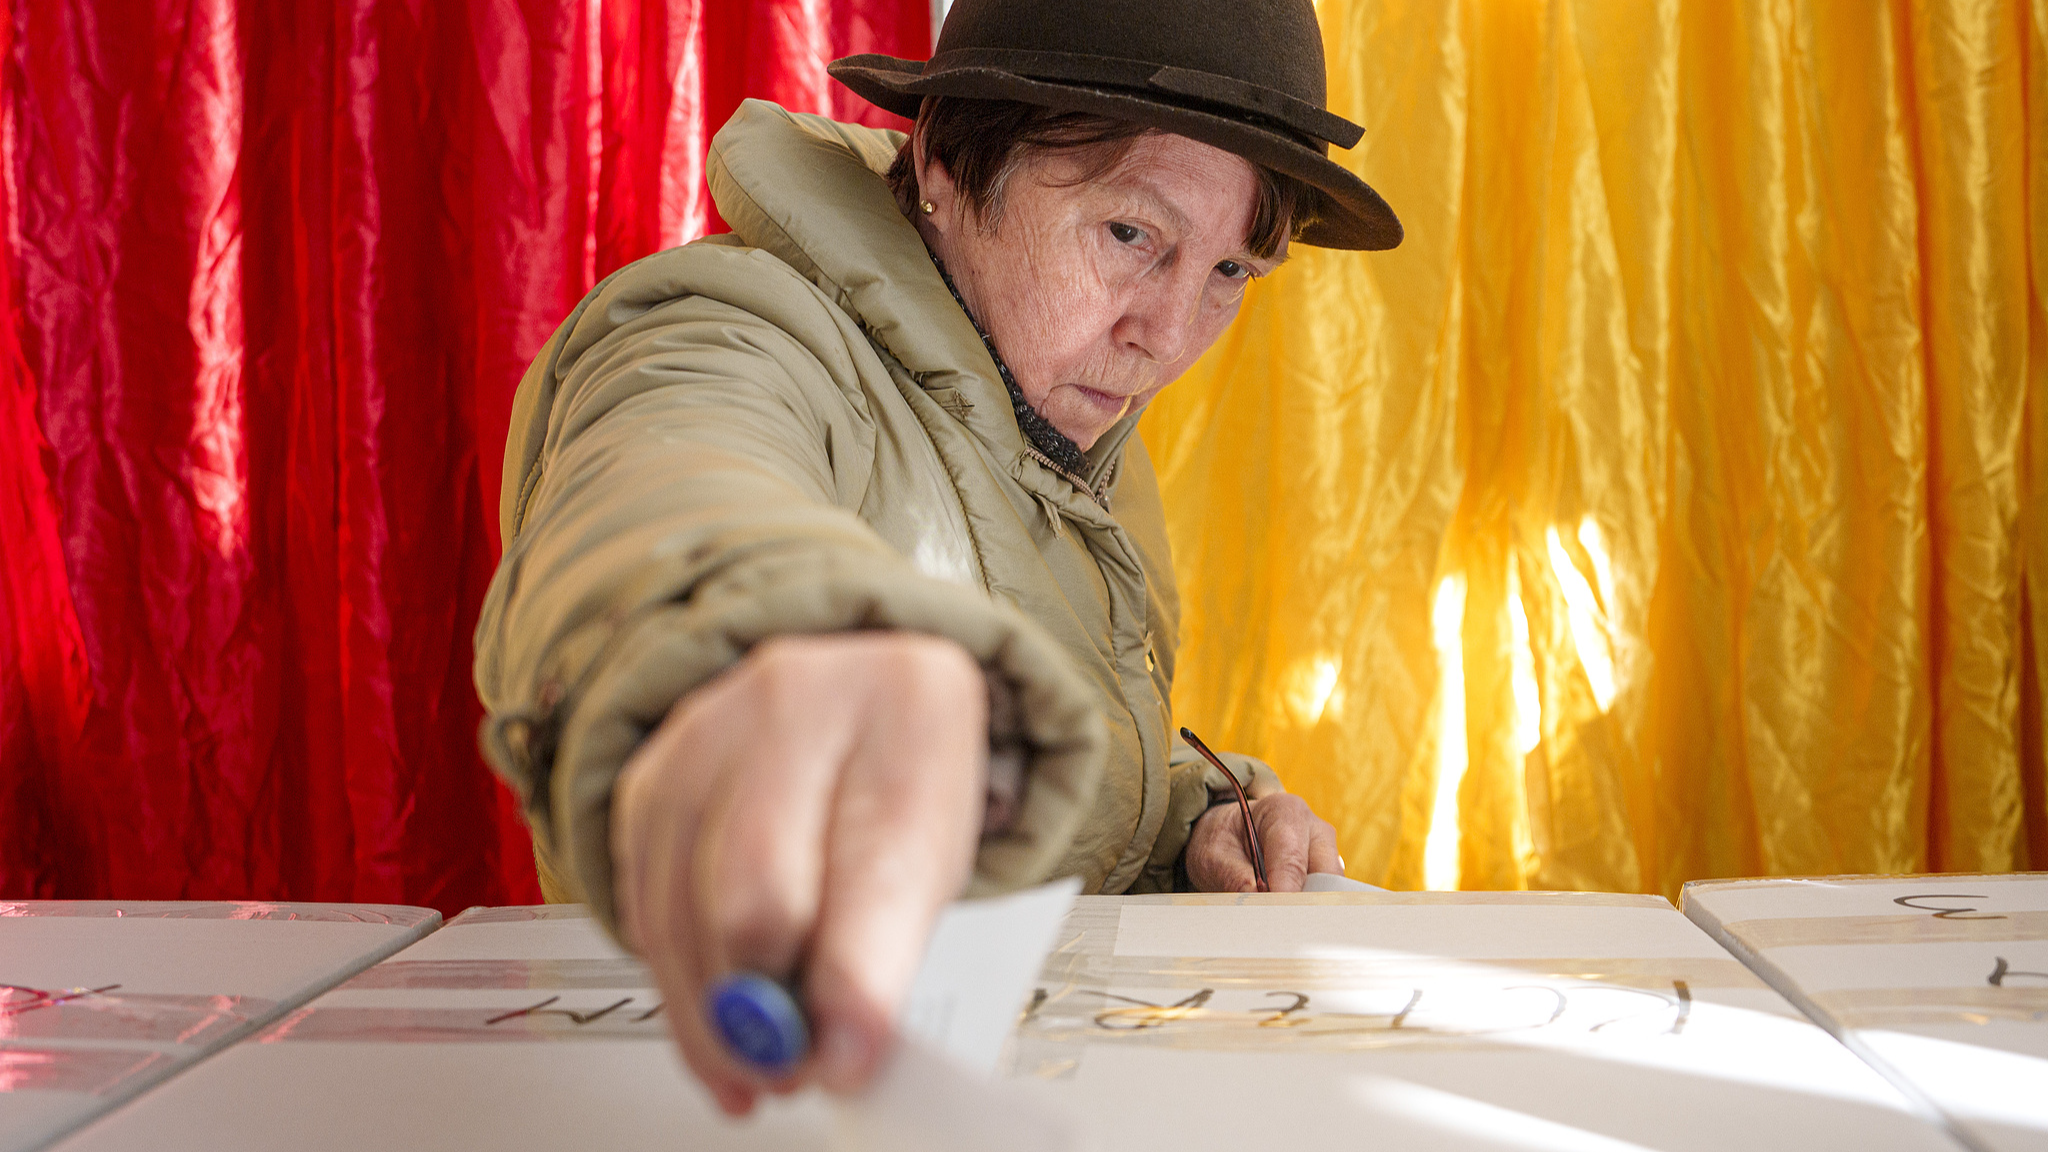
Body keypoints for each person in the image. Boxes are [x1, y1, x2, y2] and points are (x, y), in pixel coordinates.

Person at [473, 0, 1401, 1117]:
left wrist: (1193, 823)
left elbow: (1036, 779)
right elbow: (662, 502)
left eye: (1228, 272)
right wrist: (772, 658)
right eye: (1128, 235)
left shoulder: (1067, 410)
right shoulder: (721, 334)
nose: (1164, 334)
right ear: (947, 166)